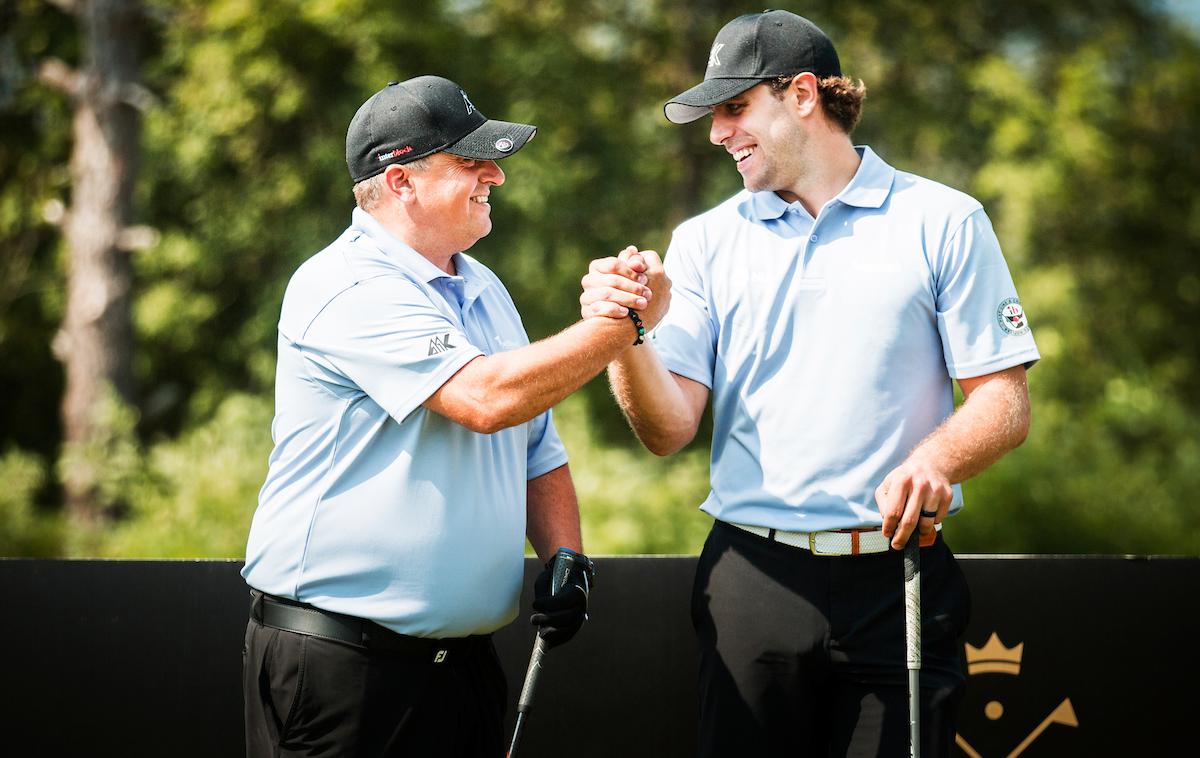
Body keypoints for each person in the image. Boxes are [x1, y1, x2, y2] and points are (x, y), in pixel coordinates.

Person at [580, 11, 1039, 757]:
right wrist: (624, 335)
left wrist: (937, 462)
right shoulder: (703, 241)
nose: (717, 133)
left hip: (900, 579)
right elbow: (667, 430)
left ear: (800, 95)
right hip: (751, 581)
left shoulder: (945, 221)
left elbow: (1005, 400)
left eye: (734, 109)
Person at [241, 75, 665, 757]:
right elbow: (487, 400)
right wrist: (625, 326)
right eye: (470, 161)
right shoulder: (346, 284)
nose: (495, 174)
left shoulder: (483, 284)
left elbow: (537, 443)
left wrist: (565, 553)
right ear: (401, 181)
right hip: (342, 666)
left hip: (460, 668)